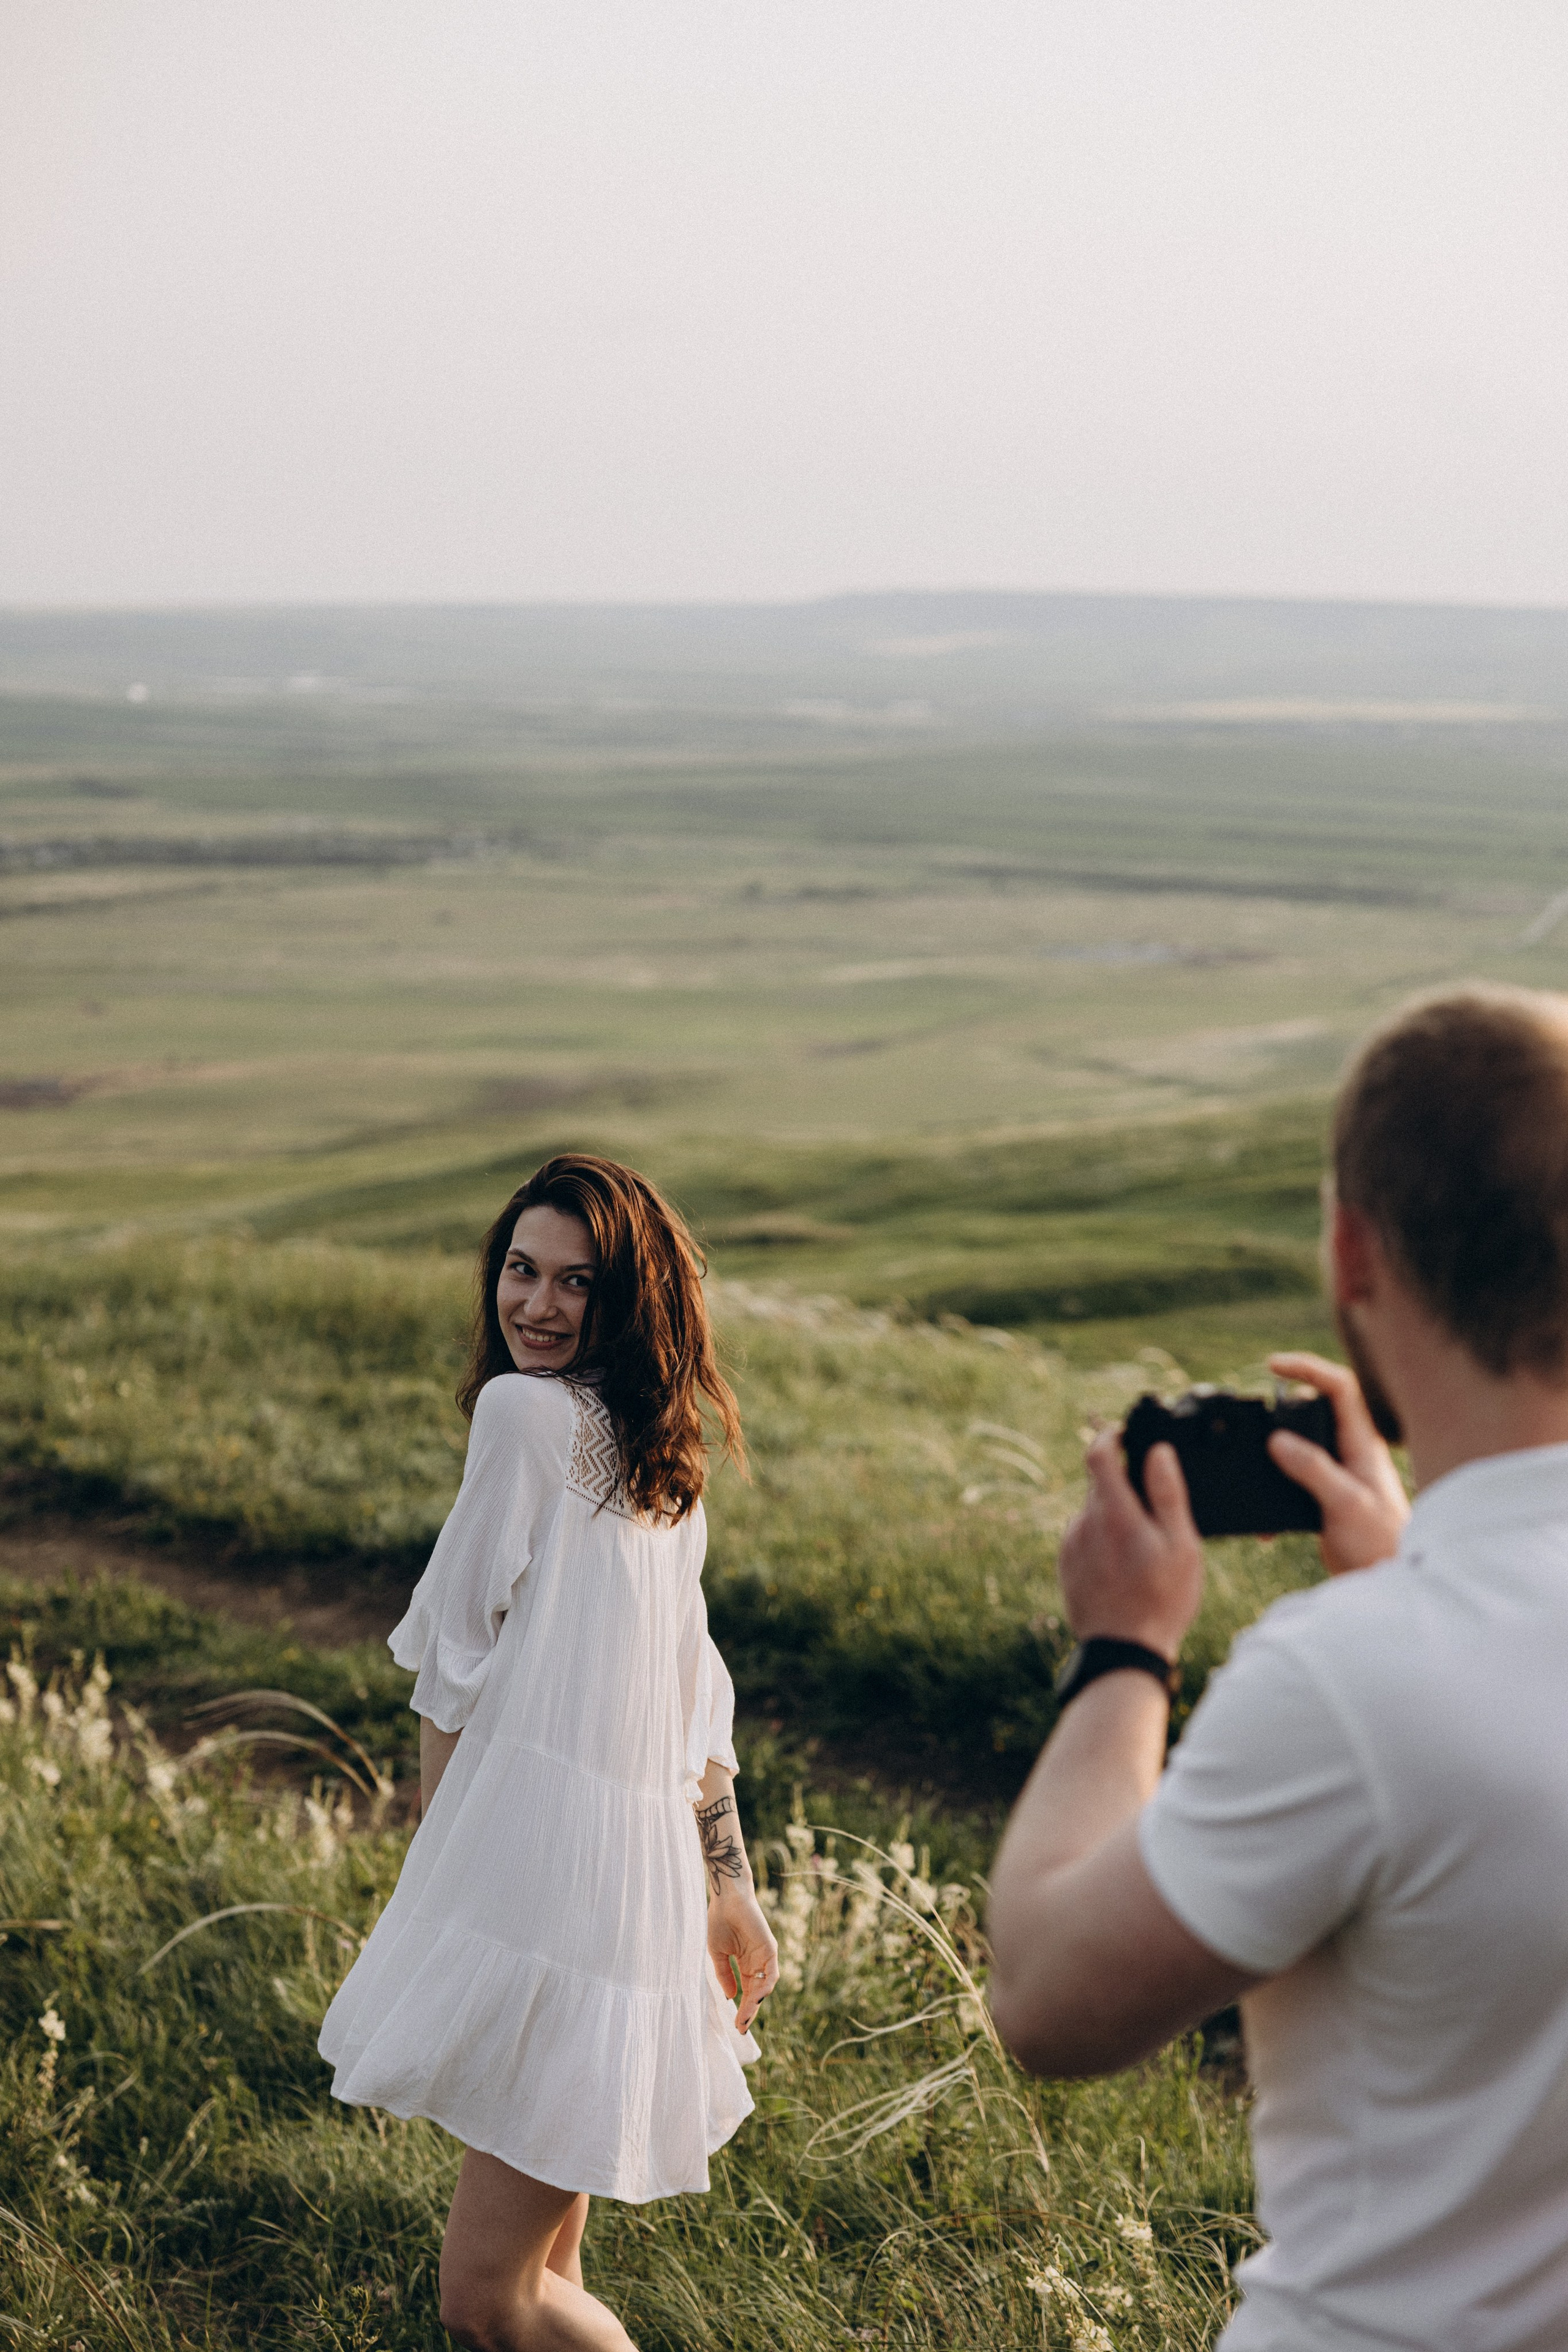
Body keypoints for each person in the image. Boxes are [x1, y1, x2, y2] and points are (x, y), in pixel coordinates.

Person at [987, 984, 1568, 2351]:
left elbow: (1044, 1998)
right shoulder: (1391, 1658)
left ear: (1351, 1254)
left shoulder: (1351, 1682)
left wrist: (1124, 1649)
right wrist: (1408, 1582)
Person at [318, 1153, 779, 2352]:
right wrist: (726, 1887)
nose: (536, 1305)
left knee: (488, 2300)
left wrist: (438, 1860)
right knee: (549, 2259)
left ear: (627, 1299)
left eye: (576, 1282)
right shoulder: (662, 1467)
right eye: (520, 1271)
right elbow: (701, 1708)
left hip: (546, 1884)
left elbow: (452, 1659)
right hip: (628, 1896)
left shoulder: (521, 1416)